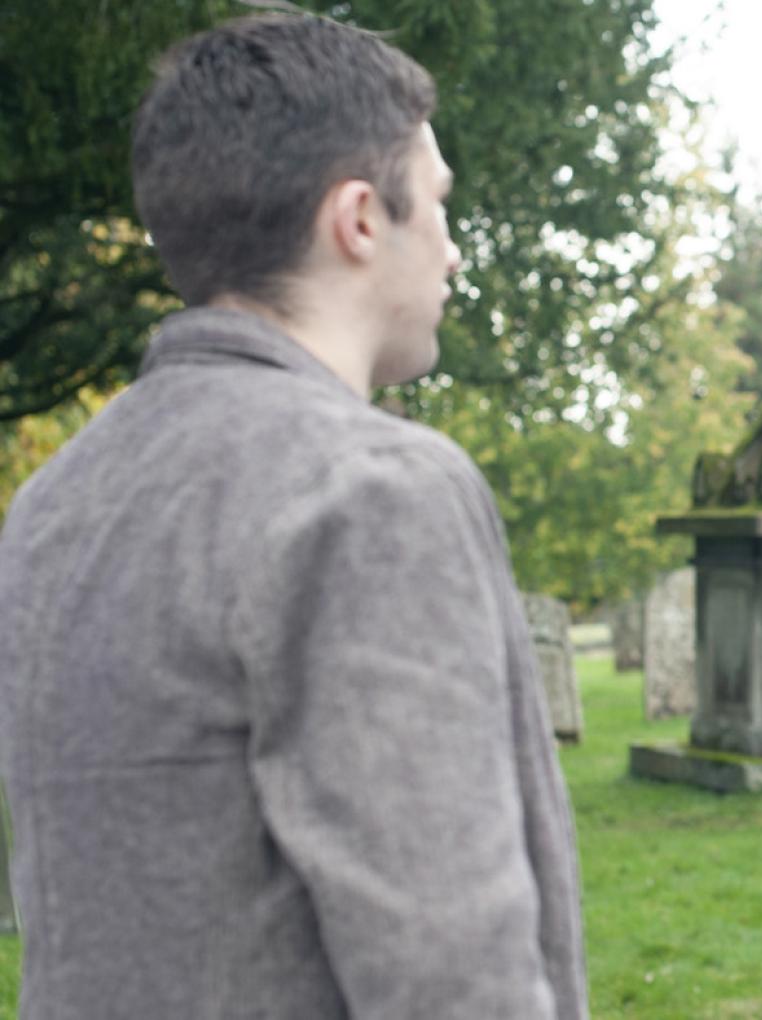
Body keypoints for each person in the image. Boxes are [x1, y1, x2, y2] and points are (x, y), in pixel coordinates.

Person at [0, 15, 584, 1018]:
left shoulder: (56, 499)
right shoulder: (371, 491)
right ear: (359, 219)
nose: (450, 254)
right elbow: (448, 967)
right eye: (438, 207)